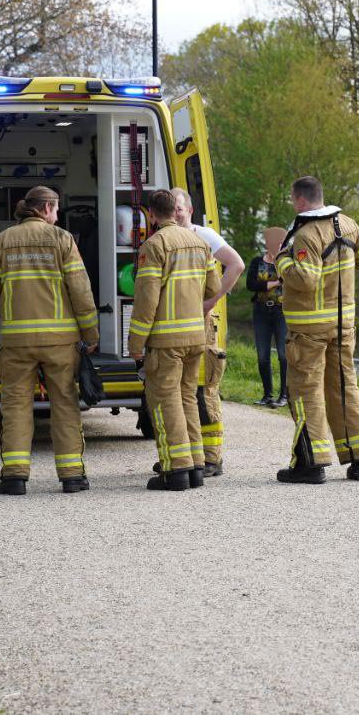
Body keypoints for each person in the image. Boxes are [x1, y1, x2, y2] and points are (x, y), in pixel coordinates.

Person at [0, 186, 99, 496]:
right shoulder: (62, 240)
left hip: (17, 342)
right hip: (60, 342)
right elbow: (81, 292)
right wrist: (90, 333)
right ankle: (72, 477)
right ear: (45, 209)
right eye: (56, 209)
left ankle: (15, 477)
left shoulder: (2, 241)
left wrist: (9, 310)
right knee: (65, 404)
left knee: (16, 405)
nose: (57, 215)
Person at [276, 176, 359, 484]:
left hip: (309, 328)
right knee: (345, 389)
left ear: (302, 201)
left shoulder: (306, 234)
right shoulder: (348, 225)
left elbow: (306, 279)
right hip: (343, 325)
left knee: (306, 390)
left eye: (293, 199)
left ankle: (311, 463)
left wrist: (281, 262)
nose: (293, 204)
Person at [129, 189, 221, 491]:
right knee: (187, 400)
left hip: (166, 342)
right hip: (196, 338)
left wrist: (135, 346)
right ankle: (195, 466)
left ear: (152, 215)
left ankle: (176, 471)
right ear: (175, 211)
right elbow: (213, 289)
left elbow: (146, 302)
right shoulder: (199, 242)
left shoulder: (154, 246)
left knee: (165, 402)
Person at [170, 187, 243, 477]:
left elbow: (236, 265)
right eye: (172, 207)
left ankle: (212, 458)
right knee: (179, 391)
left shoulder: (204, 235)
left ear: (189, 210)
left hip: (201, 324)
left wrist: (211, 301)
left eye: (180, 207)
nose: (176, 212)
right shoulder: (164, 238)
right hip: (175, 325)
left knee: (204, 390)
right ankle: (188, 454)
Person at [245, 226, 289, 408]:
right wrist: (275, 283)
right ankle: (267, 395)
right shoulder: (257, 262)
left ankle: (284, 395)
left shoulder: (286, 262)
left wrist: (267, 283)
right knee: (263, 356)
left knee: (283, 355)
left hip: (281, 312)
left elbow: (291, 282)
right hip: (261, 312)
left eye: (279, 242)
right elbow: (250, 284)